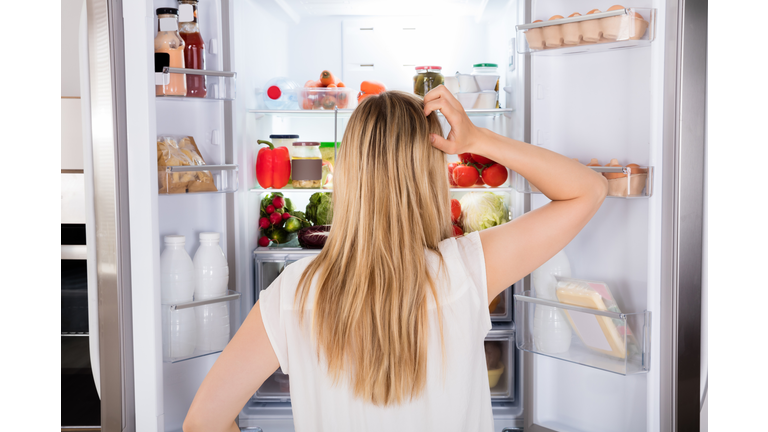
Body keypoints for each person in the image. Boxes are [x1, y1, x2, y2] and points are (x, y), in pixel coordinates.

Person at [182, 87, 608, 432]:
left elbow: (203, 421)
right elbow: (588, 190)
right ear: (430, 174)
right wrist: (479, 139)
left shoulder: (292, 292)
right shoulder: (467, 269)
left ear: (348, 173)